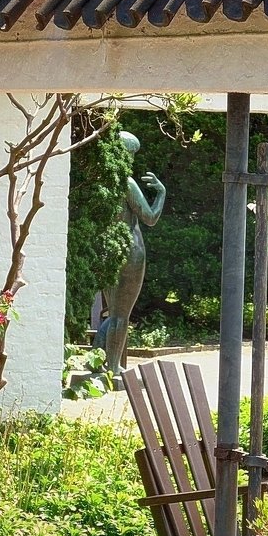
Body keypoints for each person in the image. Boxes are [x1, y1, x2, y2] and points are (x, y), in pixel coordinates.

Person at [95, 131, 166, 375]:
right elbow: (150, 217)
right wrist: (161, 193)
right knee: (120, 315)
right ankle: (113, 369)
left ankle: (101, 361)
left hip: (108, 252)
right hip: (131, 251)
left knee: (113, 312)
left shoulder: (101, 182)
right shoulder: (126, 183)